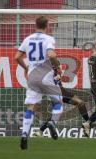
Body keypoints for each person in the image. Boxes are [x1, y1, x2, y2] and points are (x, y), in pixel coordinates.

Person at [15, 16, 63, 150]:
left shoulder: (27, 39)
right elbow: (52, 55)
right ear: (47, 25)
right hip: (46, 76)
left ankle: (25, 134)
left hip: (32, 77)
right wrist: (57, 67)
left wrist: (26, 68)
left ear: (35, 25)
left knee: (31, 107)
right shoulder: (48, 39)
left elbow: (17, 57)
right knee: (58, 102)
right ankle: (53, 122)